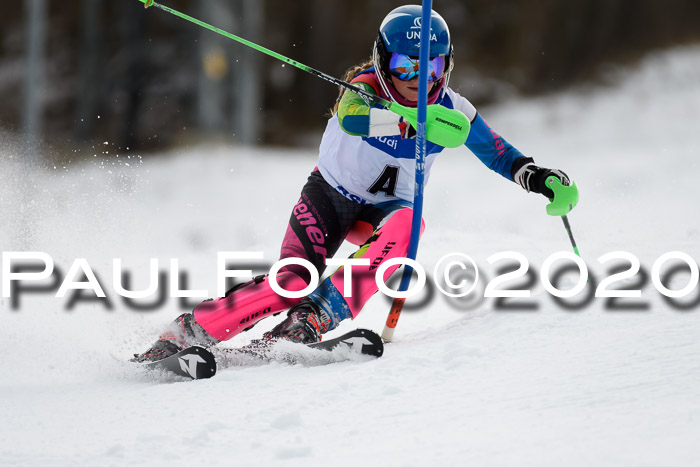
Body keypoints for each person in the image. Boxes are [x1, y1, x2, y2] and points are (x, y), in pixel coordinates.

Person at [134, 5, 572, 362]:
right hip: (329, 197)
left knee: (410, 226)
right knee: (292, 280)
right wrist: (409, 121)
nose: (419, 78)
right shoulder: (363, 88)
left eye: (432, 65)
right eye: (406, 65)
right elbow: (352, 118)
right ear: (384, 61)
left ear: (447, 65)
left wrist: (538, 178)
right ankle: (187, 332)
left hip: (383, 212)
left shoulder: (454, 110)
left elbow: (497, 153)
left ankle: (310, 321)